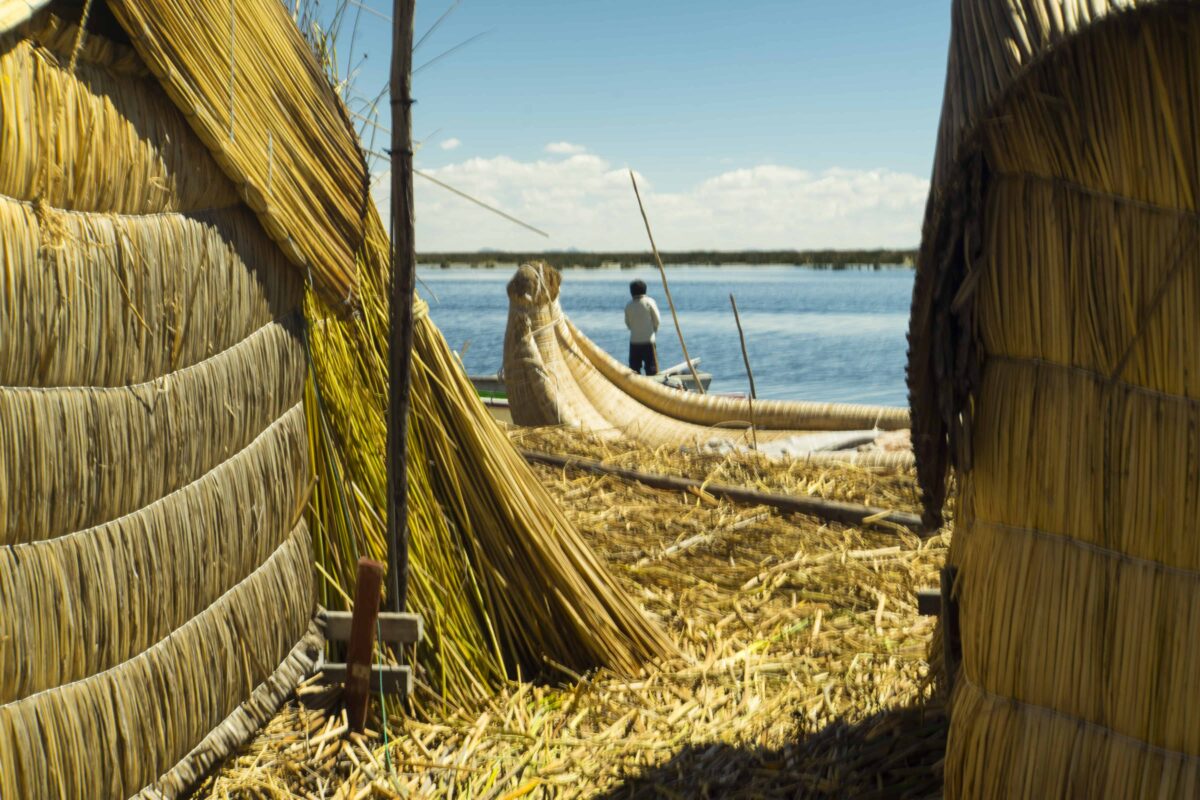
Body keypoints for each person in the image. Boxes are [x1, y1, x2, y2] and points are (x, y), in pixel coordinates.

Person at [624, 279, 661, 375]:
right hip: (648, 341)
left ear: (631, 291)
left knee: (634, 369)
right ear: (645, 290)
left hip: (634, 342)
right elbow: (657, 320)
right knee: (652, 369)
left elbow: (628, 324)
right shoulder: (649, 302)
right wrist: (654, 331)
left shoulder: (629, 305)